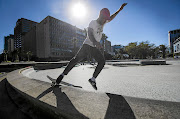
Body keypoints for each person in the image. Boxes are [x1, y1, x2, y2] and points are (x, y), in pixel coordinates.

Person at [51, 3, 127, 90]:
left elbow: (111, 17)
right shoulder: (93, 22)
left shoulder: (104, 22)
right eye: (104, 19)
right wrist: (95, 42)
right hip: (87, 45)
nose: (104, 21)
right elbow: (90, 34)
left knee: (102, 62)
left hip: (94, 48)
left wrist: (119, 10)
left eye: (105, 20)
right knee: (76, 60)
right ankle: (62, 75)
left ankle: (92, 79)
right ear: (100, 16)